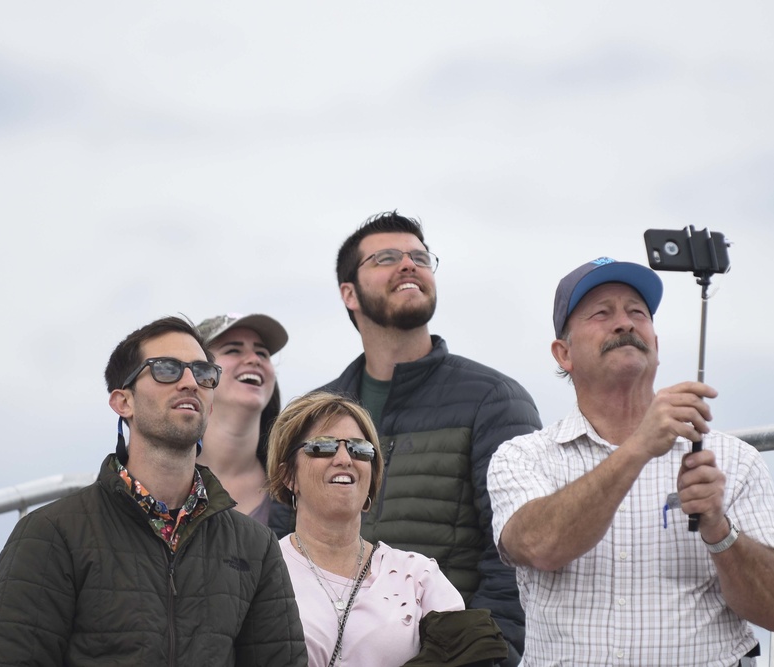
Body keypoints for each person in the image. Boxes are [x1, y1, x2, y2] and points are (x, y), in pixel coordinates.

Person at [488, 257, 774, 666]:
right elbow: (540, 545)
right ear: (563, 353)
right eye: (602, 313)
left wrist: (718, 528)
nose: (625, 324)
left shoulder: (731, 460)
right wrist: (637, 448)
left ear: (656, 344)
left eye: (637, 312)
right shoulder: (522, 457)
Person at [271, 211, 542, 664]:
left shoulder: (494, 400)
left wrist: (481, 658)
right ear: (349, 293)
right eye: (387, 257)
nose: (409, 265)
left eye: (420, 257)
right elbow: (280, 542)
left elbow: (511, 557)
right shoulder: (315, 412)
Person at [0, 316, 307, 666]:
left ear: (210, 404)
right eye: (166, 369)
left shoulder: (255, 545)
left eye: (202, 372)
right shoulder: (49, 535)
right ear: (123, 402)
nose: (189, 382)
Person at [267, 391, 508, 667]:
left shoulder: (418, 577)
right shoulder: (262, 570)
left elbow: (471, 658)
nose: (345, 458)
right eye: (323, 446)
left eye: (360, 449)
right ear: (288, 476)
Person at [196, 312, 288, 525]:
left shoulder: (294, 485)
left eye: (262, 353)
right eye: (233, 350)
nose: (254, 359)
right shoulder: (155, 481)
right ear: (198, 373)